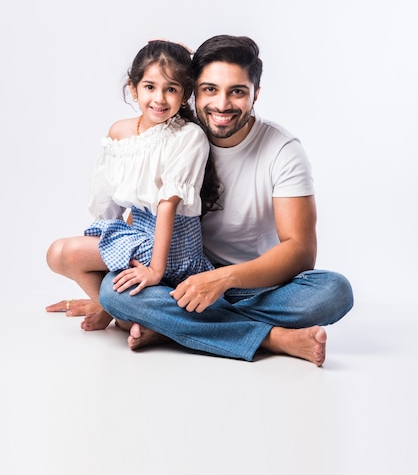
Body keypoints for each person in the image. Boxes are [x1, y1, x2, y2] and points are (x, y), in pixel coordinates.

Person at [47, 35, 354, 365]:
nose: (222, 104)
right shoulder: (174, 135)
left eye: (237, 91)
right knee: (113, 292)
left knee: (334, 291)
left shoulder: (282, 150)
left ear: (256, 94)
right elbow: (141, 212)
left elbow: (300, 251)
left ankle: (169, 327)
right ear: (194, 91)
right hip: (178, 282)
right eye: (210, 89)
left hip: (253, 284)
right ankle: (273, 338)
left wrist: (223, 279)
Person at [46, 40, 221, 331]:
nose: (160, 99)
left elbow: (167, 204)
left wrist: (156, 269)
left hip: (173, 247)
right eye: (150, 87)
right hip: (137, 234)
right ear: (133, 88)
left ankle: (122, 311)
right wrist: (104, 237)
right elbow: (109, 201)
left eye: (171, 89)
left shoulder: (188, 136)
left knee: (68, 252)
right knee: (57, 254)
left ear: (185, 93)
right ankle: (115, 309)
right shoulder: (120, 131)